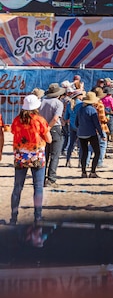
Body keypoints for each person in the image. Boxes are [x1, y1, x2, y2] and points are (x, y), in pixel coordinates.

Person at [9, 94, 51, 224]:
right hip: (36, 156)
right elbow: (49, 139)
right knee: (38, 187)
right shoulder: (40, 120)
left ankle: (14, 217)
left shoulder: (17, 120)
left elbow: (12, 132)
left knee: (17, 187)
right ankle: (37, 216)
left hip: (20, 156)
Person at [39, 83, 65, 186]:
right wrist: (48, 128)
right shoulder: (58, 103)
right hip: (53, 128)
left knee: (45, 155)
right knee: (55, 155)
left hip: (42, 127)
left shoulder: (43, 101)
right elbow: (55, 118)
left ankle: (41, 178)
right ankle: (51, 178)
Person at [76, 91, 106, 178]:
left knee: (84, 153)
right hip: (91, 133)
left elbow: (76, 122)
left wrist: (80, 128)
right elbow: (97, 124)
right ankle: (92, 171)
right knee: (97, 152)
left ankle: (83, 172)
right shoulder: (92, 110)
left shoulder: (80, 109)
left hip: (81, 133)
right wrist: (102, 134)